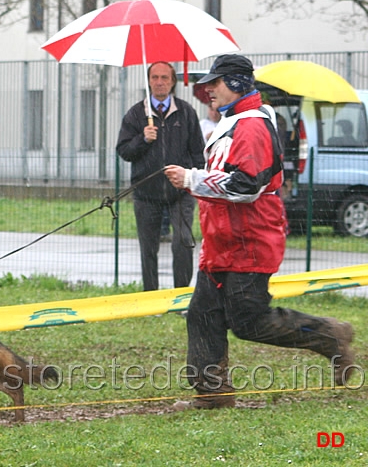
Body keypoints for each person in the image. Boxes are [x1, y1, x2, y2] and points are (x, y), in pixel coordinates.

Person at [164, 54, 355, 410]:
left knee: (249, 322)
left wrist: (191, 178)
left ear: (236, 84)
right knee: (203, 314)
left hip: (249, 243)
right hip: (223, 243)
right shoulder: (234, 122)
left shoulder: (251, 126)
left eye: (216, 83)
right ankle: (213, 394)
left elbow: (247, 185)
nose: (207, 91)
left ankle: (329, 334)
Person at [116, 62, 205, 291]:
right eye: (154, 77)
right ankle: (151, 298)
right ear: (149, 81)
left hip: (181, 193)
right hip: (147, 194)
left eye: (164, 77)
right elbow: (124, 151)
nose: (159, 82)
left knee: (183, 242)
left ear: (173, 81)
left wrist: (196, 182)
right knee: (148, 248)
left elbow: (197, 152)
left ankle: (181, 297)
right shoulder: (136, 114)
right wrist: (142, 139)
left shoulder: (186, 112)